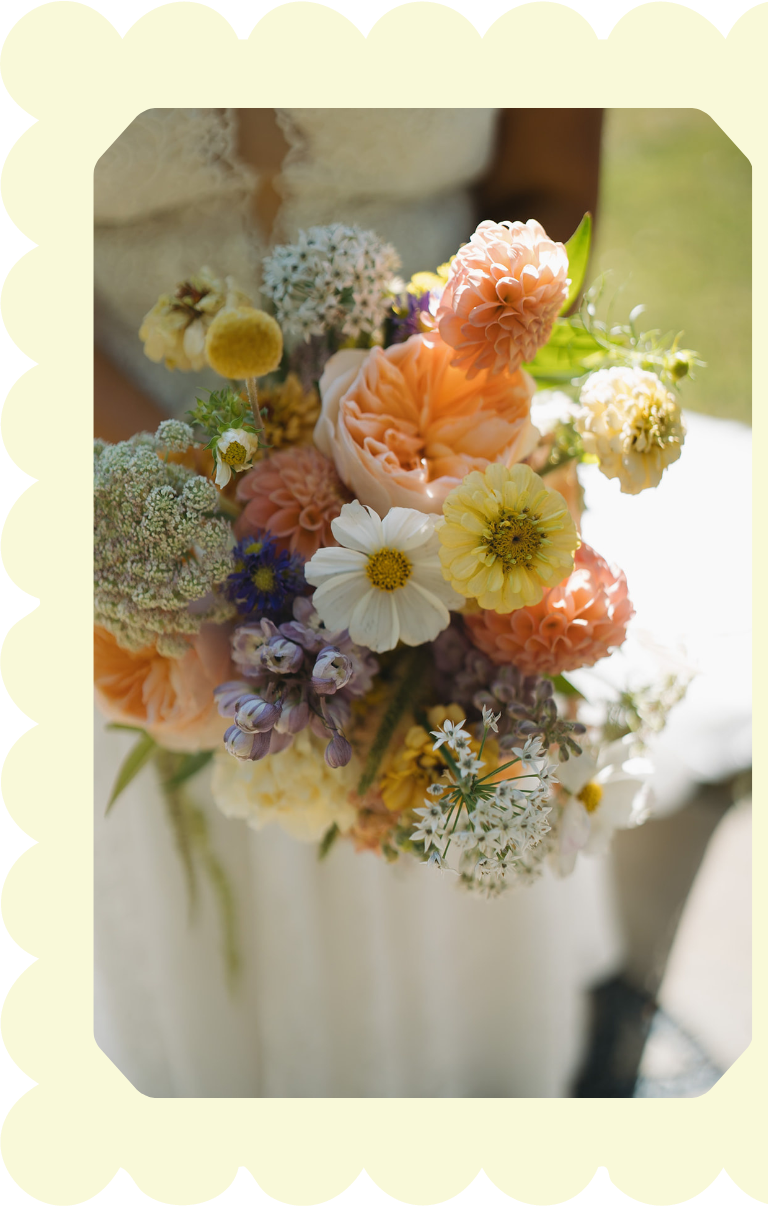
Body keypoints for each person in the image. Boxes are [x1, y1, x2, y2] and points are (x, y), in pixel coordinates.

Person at [93, 108, 623, 1097]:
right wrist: (190, 507)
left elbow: (548, 194)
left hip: (442, 470)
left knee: (443, 833)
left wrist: (442, 463)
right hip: (122, 491)